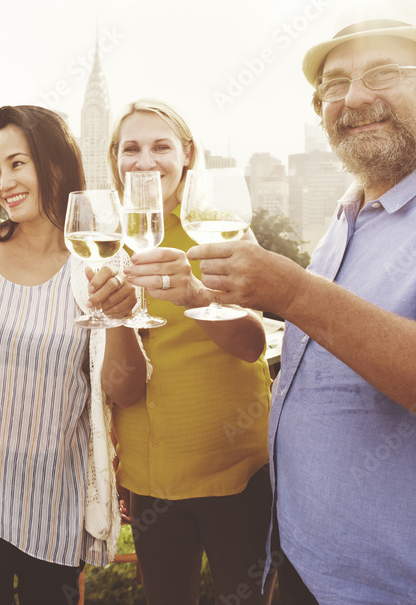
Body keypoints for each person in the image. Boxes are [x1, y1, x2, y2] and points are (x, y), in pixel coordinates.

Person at [168, 0, 416, 603]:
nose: (354, 98)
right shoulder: (347, 217)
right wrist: (198, 293)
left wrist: (293, 290)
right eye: (335, 83)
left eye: (382, 74)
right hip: (301, 567)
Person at [0, 105, 141, 605]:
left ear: (56, 165)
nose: (2, 182)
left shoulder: (103, 262)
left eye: (17, 164)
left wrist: (121, 318)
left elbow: (126, 389)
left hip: (51, 501)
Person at [101, 99, 273, 605]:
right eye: (131, 148)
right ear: (115, 158)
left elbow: (253, 345)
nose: (145, 162)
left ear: (188, 155)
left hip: (233, 467)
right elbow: (119, 384)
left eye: (161, 147)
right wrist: (115, 317)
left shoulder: (217, 229)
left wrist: (197, 296)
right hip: (151, 474)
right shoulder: (102, 242)